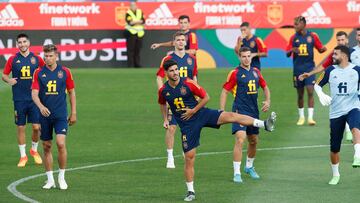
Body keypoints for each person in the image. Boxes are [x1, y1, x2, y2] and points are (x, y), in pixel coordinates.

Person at [158, 59, 276, 201]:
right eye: (172, 71)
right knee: (189, 158)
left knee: (232, 116)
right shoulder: (164, 90)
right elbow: (162, 103)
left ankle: (264, 124)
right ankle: (190, 191)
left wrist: (193, 110)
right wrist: (165, 118)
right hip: (188, 126)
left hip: (201, 114)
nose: (175, 73)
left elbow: (206, 97)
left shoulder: (188, 83)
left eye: (176, 69)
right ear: (166, 73)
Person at [220, 47, 271, 183]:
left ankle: (249, 166)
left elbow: (265, 87)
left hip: (254, 111)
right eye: (244, 56)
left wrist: (267, 100)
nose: (247, 59)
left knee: (253, 140)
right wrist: (222, 110)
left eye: (249, 56)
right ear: (239, 57)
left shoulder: (256, 72)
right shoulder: (235, 73)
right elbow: (225, 91)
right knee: (240, 139)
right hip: (239, 111)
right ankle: (237, 173)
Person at [31, 44, 77, 190]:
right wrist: (41, 107)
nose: (47, 58)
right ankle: (50, 179)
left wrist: (74, 112)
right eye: (46, 56)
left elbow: (71, 92)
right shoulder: (38, 72)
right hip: (44, 116)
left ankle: (61, 177)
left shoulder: (65, 72)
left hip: (60, 115)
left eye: (50, 56)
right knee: (46, 146)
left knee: (61, 143)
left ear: (56, 56)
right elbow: (34, 94)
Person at [314, 45, 360, 185]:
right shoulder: (330, 71)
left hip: (353, 107)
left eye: (336, 54)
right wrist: (321, 94)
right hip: (336, 112)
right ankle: (336, 174)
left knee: (355, 128)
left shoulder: (357, 70)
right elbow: (317, 84)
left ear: (345, 56)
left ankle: (357, 155)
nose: (333, 57)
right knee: (334, 148)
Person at [299, 31, 356, 141]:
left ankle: (350, 130)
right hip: (339, 85)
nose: (341, 42)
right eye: (338, 40)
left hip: (354, 85)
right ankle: (349, 131)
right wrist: (310, 74)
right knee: (344, 108)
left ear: (347, 40)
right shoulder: (335, 54)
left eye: (342, 39)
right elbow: (324, 66)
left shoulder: (354, 53)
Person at [2, 33, 44, 167]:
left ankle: (34, 150)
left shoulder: (37, 59)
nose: (22, 44)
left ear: (29, 43)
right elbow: (4, 75)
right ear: (17, 44)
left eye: (24, 41)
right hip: (19, 99)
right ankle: (23, 156)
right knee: (21, 127)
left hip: (35, 99)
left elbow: (45, 73)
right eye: (20, 42)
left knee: (37, 128)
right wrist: (9, 80)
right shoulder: (13, 59)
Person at [156, 31, 198, 169]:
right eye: (178, 40)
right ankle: (170, 157)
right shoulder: (168, 59)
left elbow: (194, 77)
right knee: (172, 126)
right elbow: (159, 77)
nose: (180, 42)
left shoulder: (192, 59)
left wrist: (197, 92)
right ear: (174, 42)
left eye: (182, 39)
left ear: (185, 42)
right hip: (174, 98)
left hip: (189, 100)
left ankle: (185, 150)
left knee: (189, 127)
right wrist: (164, 93)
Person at [286, 16, 326, 126]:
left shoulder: (312, 36)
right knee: (300, 94)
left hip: (309, 69)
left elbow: (320, 48)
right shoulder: (293, 38)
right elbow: (287, 53)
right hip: (298, 70)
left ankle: (310, 118)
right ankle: (301, 117)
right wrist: (292, 50)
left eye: (296, 24)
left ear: (303, 24)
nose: (294, 26)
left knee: (310, 91)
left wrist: (323, 49)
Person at [125, 1, 145, 68]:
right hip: (131, 33)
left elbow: (143, 21)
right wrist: (138, 21)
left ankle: (137, 64)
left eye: (134, 5)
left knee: (137, 50)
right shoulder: (128, 13)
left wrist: (135, 22)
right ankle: (130, 65)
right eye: (132, 5)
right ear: (130, 6)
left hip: (139, 34)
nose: (133, 7)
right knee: (130, 50)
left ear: (136, 6)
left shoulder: (140, 12)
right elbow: (130, 22)